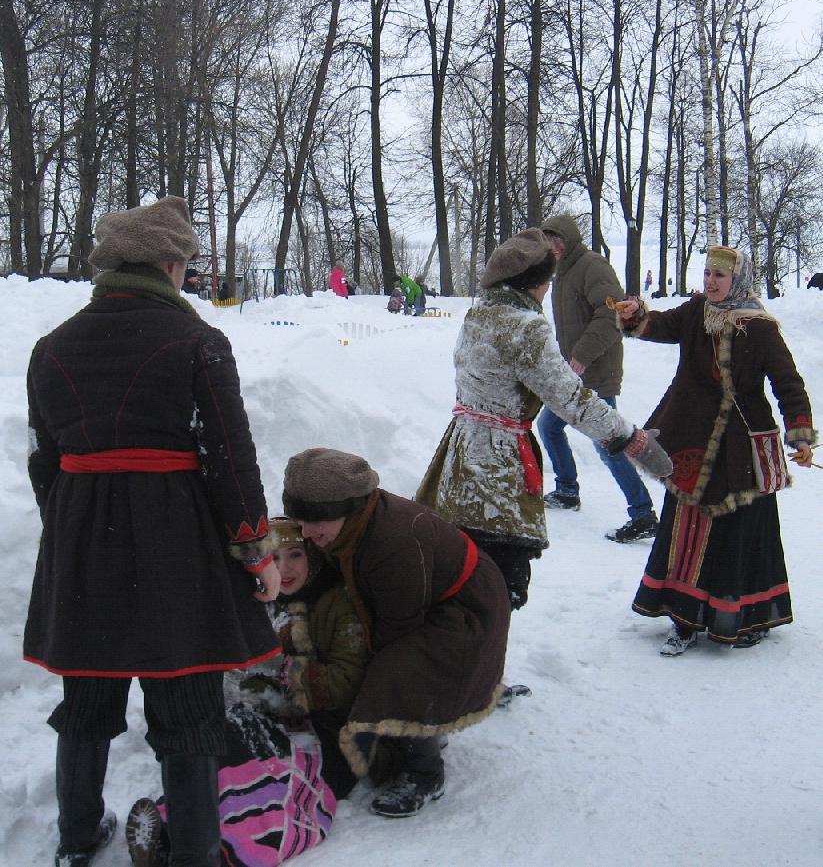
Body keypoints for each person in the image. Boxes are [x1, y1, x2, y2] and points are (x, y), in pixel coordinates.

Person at [24, 196, 281, 867]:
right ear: (170, 264)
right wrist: (256, 550)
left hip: (81, 541)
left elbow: (43, 459)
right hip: (177, 543)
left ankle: (76, 842)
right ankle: (194, 852)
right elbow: (230, 455)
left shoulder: (50, 350)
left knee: (85, 700)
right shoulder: (197, 341)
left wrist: (74, 524)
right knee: (189, 706)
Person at [415, 228, 672, 613]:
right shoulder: (526, 328)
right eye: (548, 281)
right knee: (497, 582)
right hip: (496, 469)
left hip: (461, 456)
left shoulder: (480, 313)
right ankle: (481, 670)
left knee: (462, 572)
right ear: (535, 283)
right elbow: (571, 399)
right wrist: (630, 438)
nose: (549, 289)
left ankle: (474, 668)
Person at [282, 447, 511, 818]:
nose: (306, 533)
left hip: (465, 606)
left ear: (347, 509)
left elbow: (397, 629)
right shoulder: (353, 524)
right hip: (422, 595)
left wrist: (368, 685)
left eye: (315, 522)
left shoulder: (394, 542)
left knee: (400, 670)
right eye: (301, 520)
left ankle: (425, 770)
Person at [125, 517, 367, 867]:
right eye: (273, 556)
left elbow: (347, 681)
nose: (283, 568)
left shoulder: (334, 605)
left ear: (313, 556)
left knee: (275, 778)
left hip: (321, 732)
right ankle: (168, 836)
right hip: (259, 715)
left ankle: (230, 851)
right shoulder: (253, 604)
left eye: (295, 555)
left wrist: (283, 673)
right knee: (221, 745)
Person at [615, 245, 816, 655]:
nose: (710, 282)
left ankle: (748, 614)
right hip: (690, 439)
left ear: (736, 280)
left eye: (719, 276)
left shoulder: (759, 327)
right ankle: (682, 617)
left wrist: (800, 433)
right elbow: (658, 325)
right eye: (707, 274)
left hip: (739, 448)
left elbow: (788, 383)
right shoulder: (694, 311)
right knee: (685, 528)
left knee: (740, 535)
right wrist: (634, 314)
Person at [536, 215, 659, 543]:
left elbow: (611, 315)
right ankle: (566, 490)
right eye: (548, 241)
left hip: (596, 370)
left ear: (569, 239)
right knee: (549, 426)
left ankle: (643, 512)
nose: (552, 247)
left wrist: (581, 355)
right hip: (573, 372)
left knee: (608, 442)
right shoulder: (562, 272)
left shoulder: (593, 266)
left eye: (556, 240)